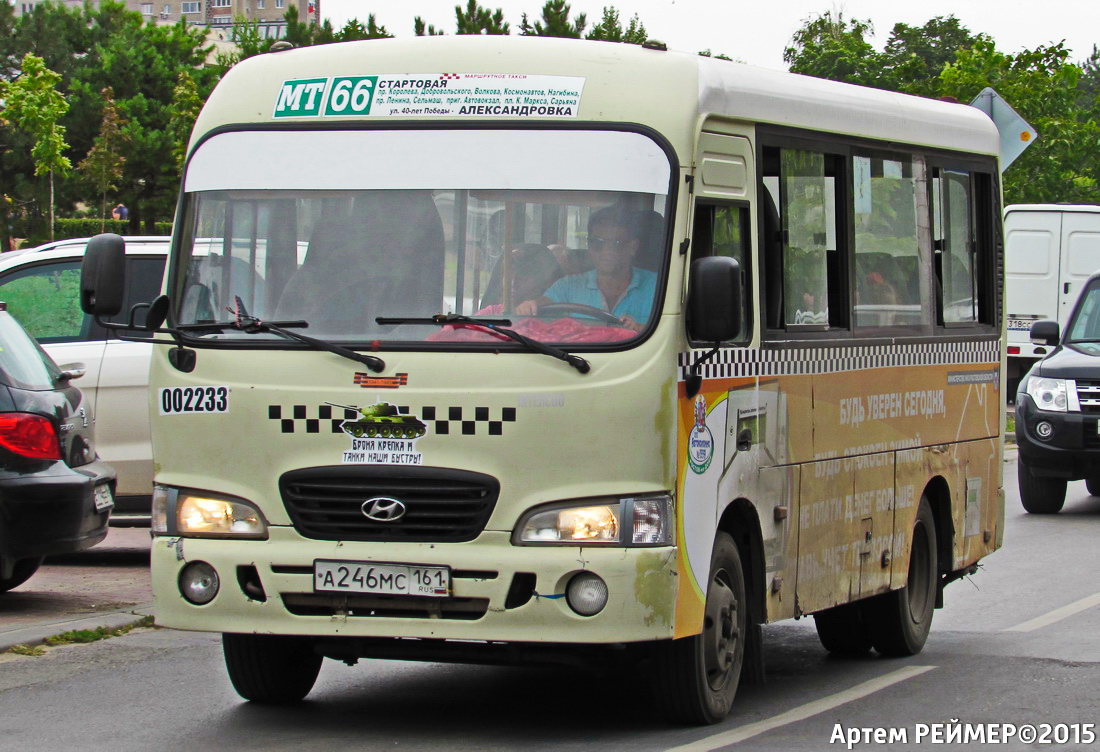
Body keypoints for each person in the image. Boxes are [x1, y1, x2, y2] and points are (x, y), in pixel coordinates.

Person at [515, 206, 657, 332]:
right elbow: (543, 304)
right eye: (598, 243)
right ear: (589, 245)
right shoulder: (568, 286)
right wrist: (529, 306)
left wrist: (640, 330)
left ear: (633, 247)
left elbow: (672, 336)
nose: (606, 251)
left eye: (616, 243)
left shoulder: (658, 286)